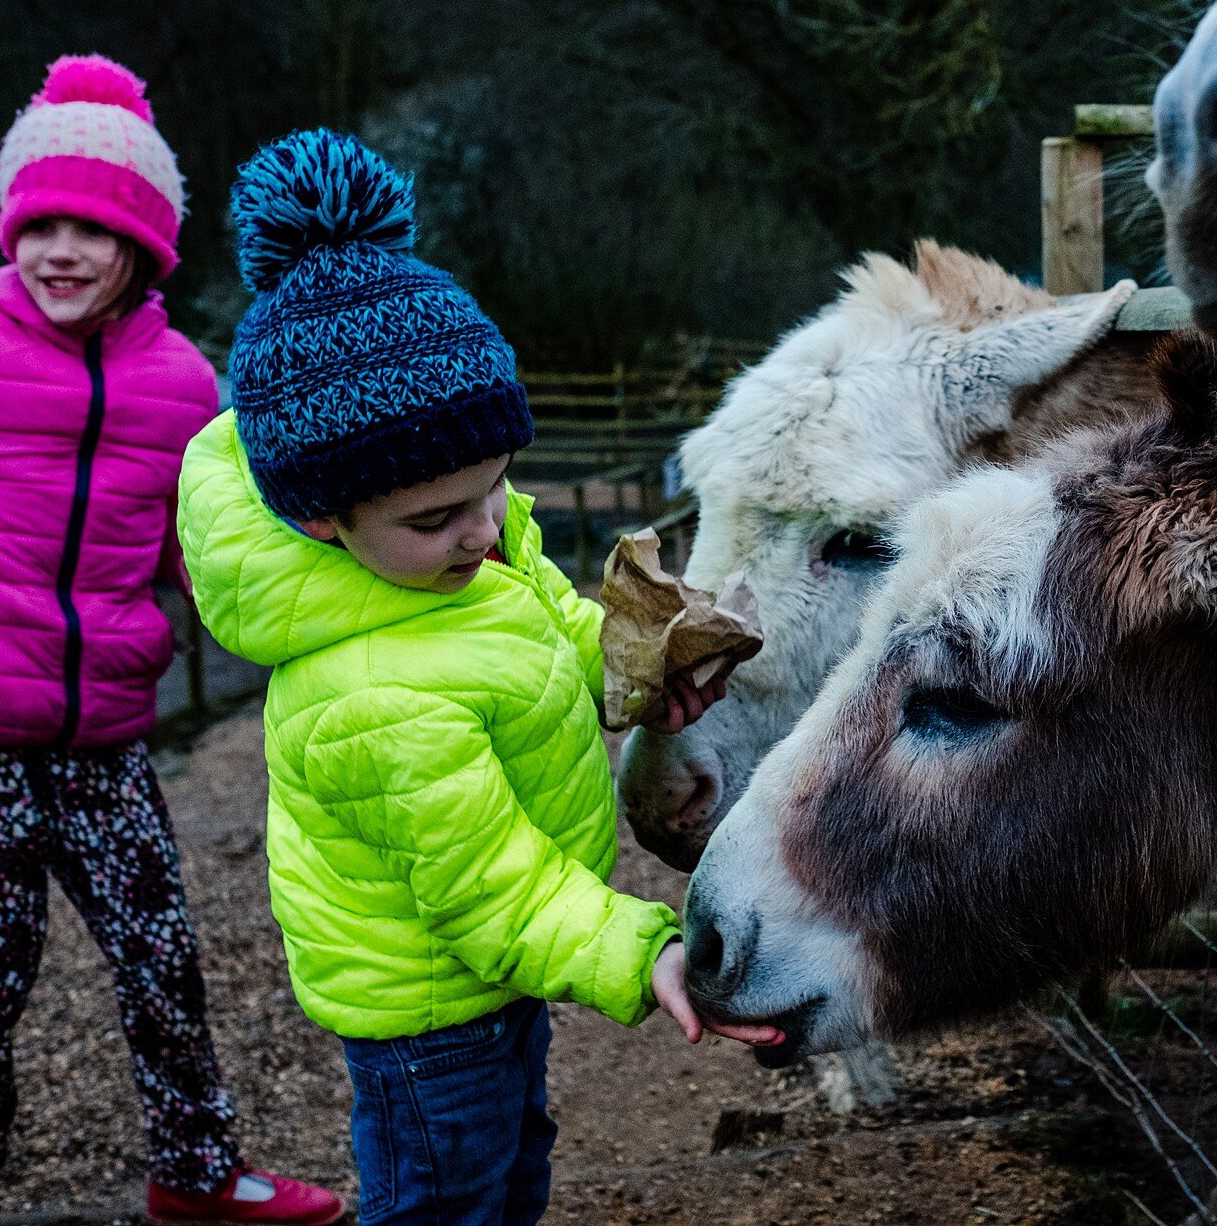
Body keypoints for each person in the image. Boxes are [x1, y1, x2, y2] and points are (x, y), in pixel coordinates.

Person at [177, 129, 779, 1226]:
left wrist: (631, 669)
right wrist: (640, 948)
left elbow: (538, 620)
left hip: (493, 980)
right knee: (445, 1198)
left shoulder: (461, 554)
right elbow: (487, 884)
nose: (483, 532)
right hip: (428, 1010)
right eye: (437, 516)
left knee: (509, 1173)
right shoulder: (367, 693)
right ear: (321, 516)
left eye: (496, 487)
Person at [0, 57, 345, 1226]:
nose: (61, 250)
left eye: (91, 225)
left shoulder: (184, 386)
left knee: (164, 963)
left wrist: (364, 558)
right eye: (41, 223)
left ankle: (194, 1170)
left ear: (144, 245)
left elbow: (221, 548)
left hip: (105, 743)